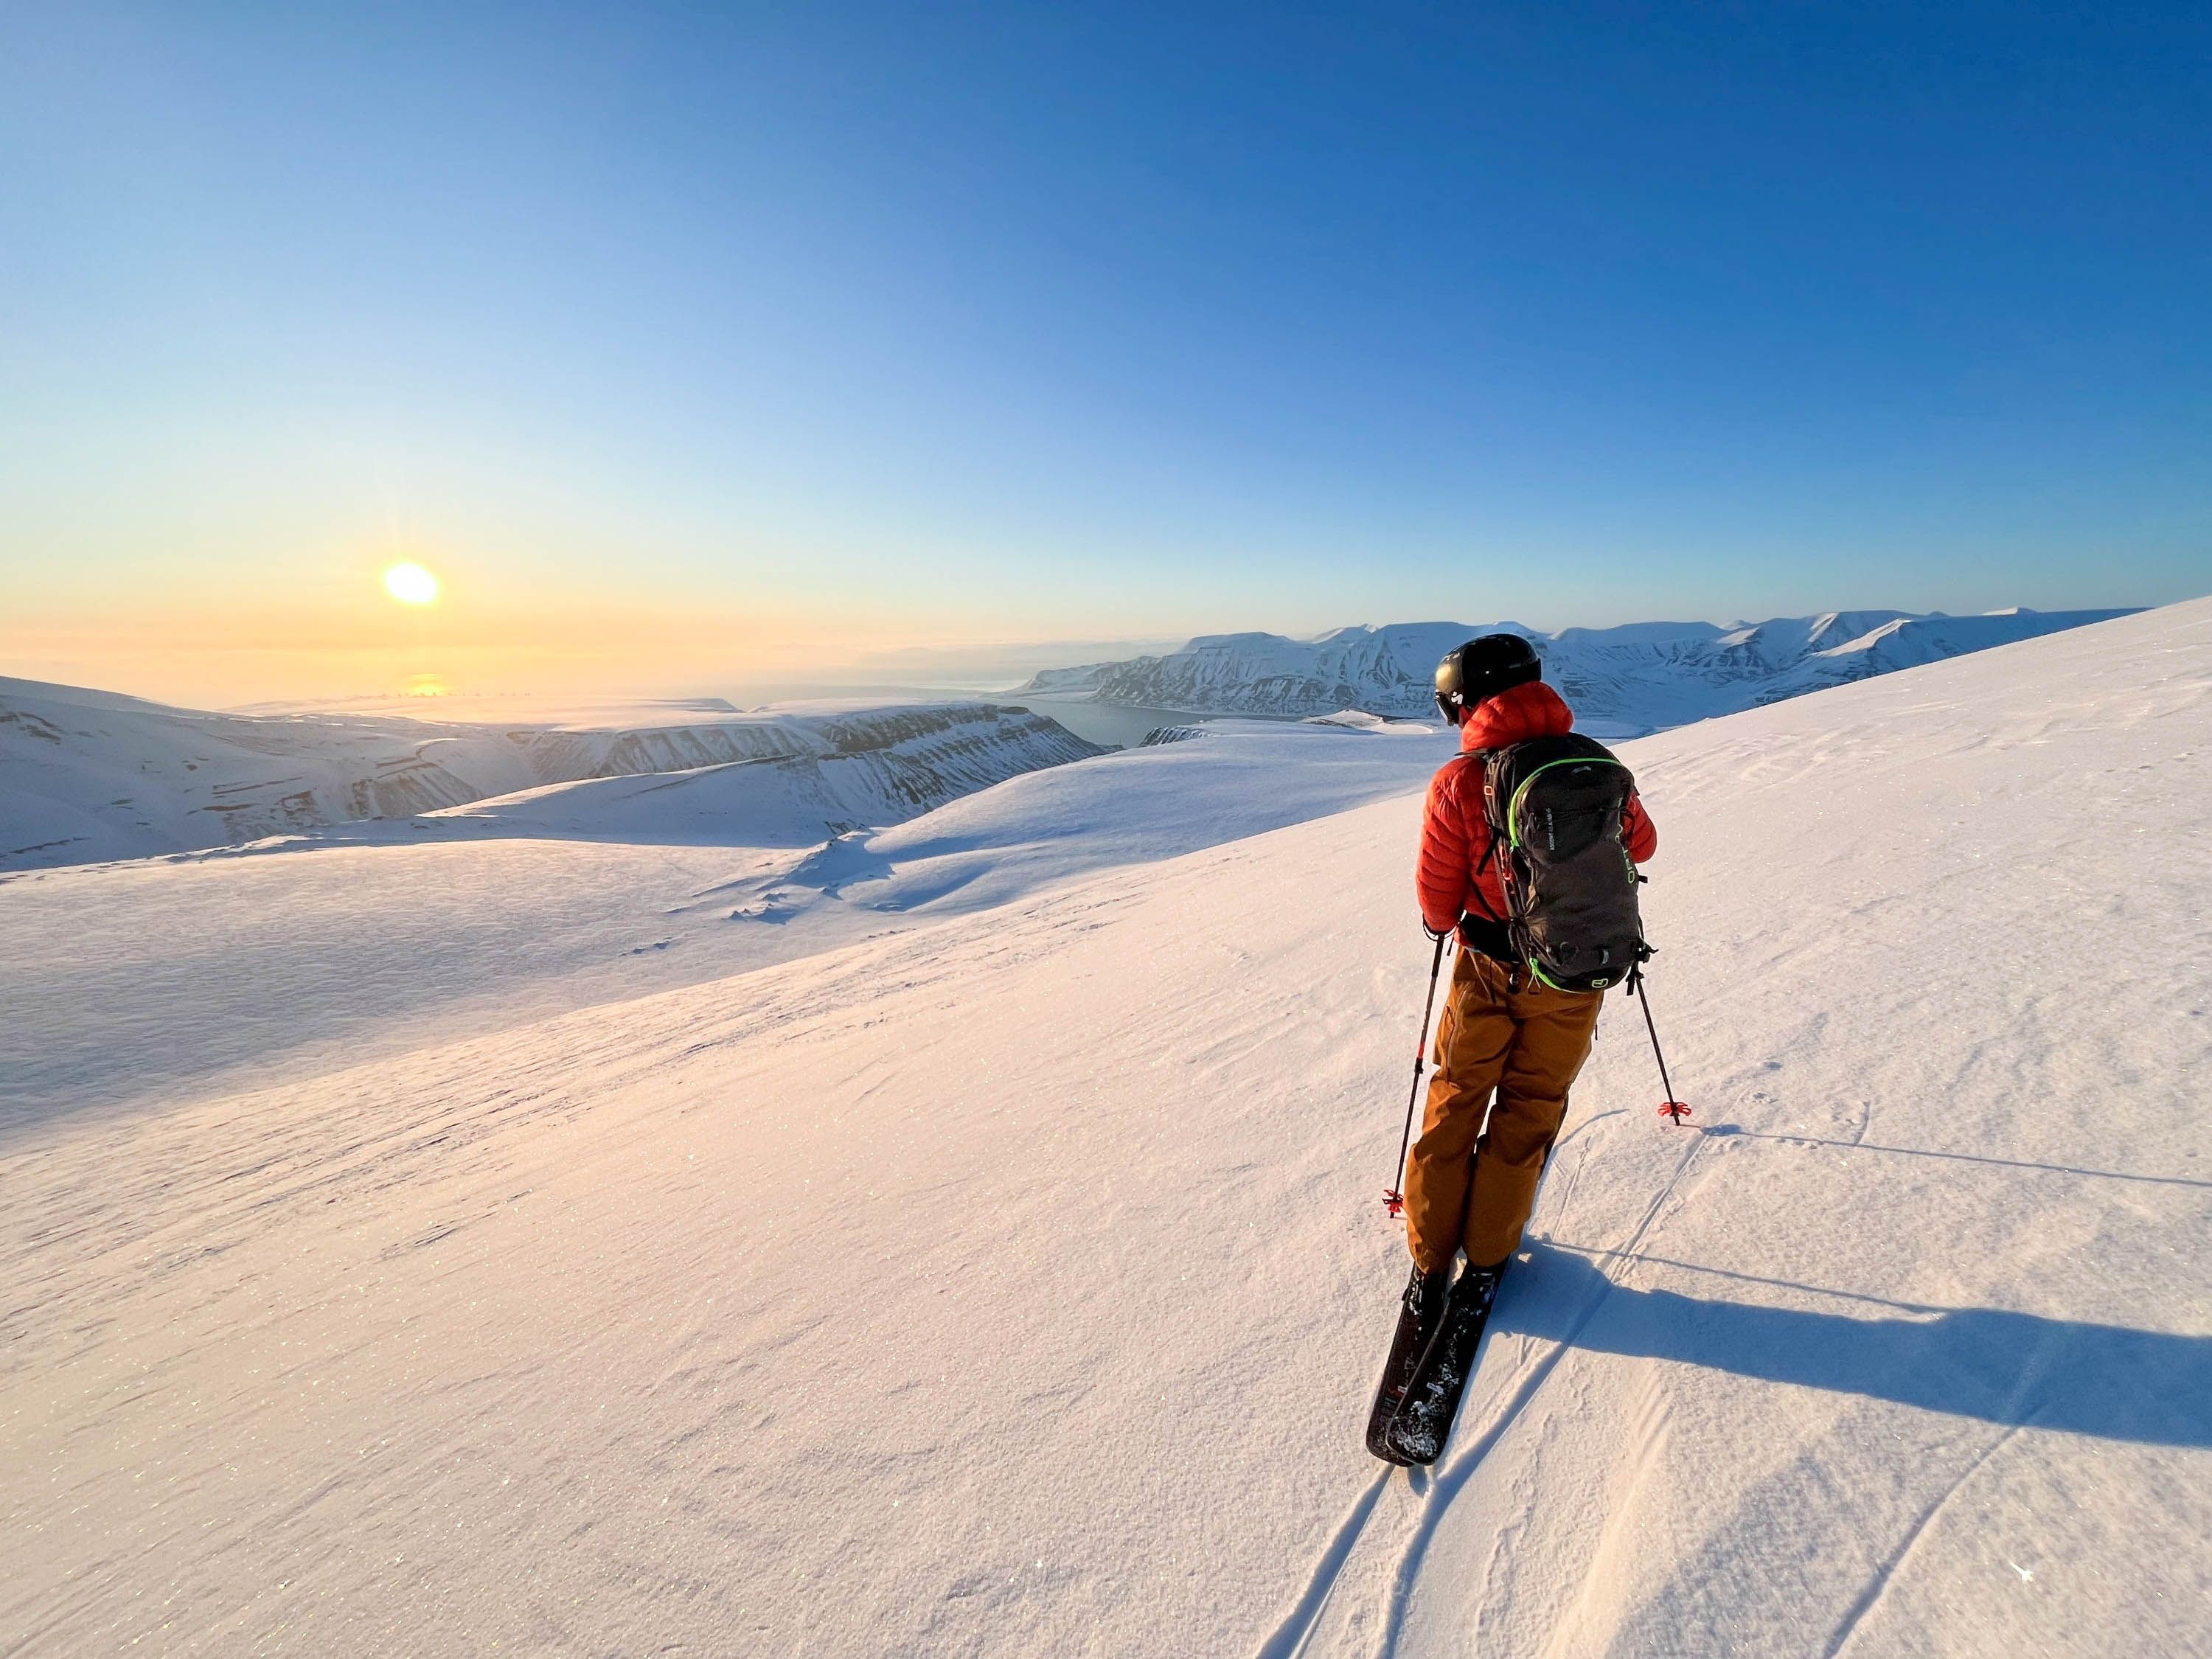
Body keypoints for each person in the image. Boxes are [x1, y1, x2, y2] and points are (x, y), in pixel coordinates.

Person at [1402, 633, 1658, 1309]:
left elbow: (1437, 900)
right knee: (1531, 1109)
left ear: (1470, 702)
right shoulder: (1595, 763)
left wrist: (1453, 918)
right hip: (1572, 974)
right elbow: (1644, 844)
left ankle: (1430, 1258)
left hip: (1486, 967)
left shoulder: (1461, 780)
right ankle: (1488, 1258)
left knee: (1458, 1098)